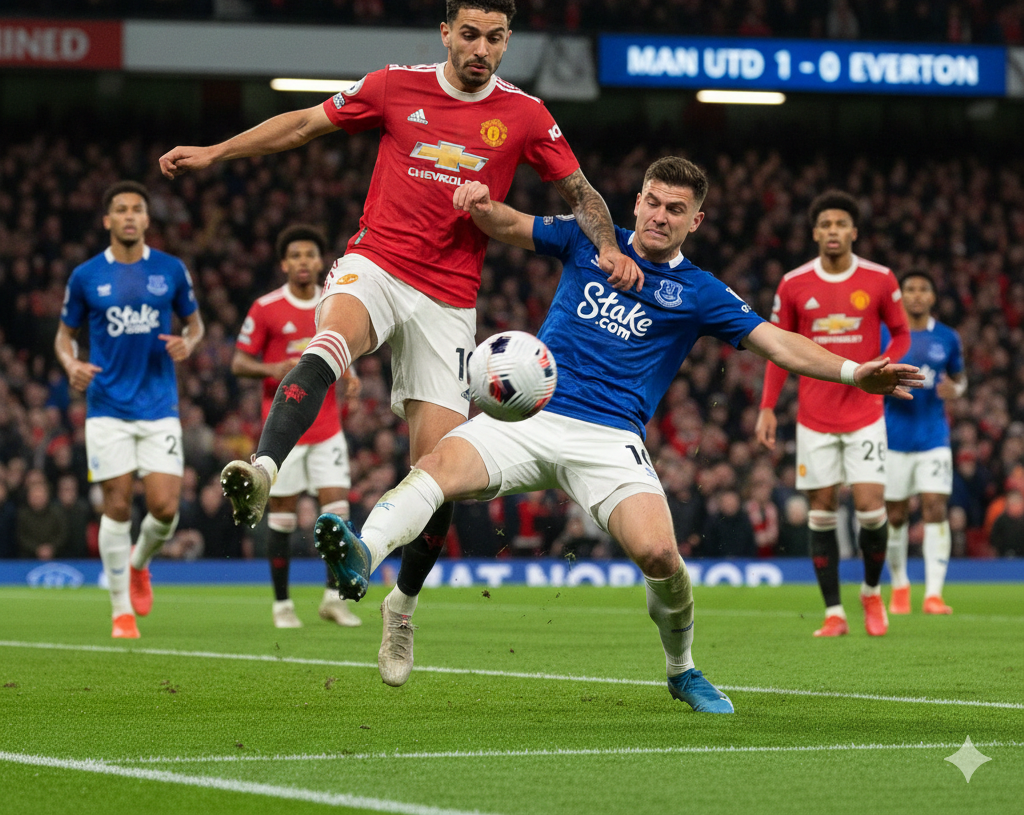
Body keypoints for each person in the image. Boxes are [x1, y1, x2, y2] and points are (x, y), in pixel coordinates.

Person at [159, 0, 640, 679]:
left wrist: (608, 246)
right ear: (445, 32)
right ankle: (264, 471)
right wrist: (216, 152)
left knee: (436, 471)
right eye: (469, 34)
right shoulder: (392, 86)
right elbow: (302, 125)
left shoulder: (526, 115)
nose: (481, 49)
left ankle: (401, 610)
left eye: (495, 37)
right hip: (377, 262)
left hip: (448, 300)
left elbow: (582, 192)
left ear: (508, 42)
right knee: (329, 338)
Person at [313, 158, 920, 707]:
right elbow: (510, 223)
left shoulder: (700, 292)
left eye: (675, 209)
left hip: (610, 440)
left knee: (661, 554)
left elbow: (775, 342)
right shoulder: (585, 239)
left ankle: (681, 670)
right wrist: (475, 200)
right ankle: (368, 558)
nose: (660, 215)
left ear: (695, 221)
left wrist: (850, 371)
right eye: (653, 202)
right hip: (528, 416)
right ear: (635, 203)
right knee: (436, 471)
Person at [755, 190, 911, 638]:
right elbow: (777, 348)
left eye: (841, 224)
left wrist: (885, 365)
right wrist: (767, 406)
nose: (833, 231)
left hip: (865, 412)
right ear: (814, 233)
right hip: (814, 417)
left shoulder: (880, 279)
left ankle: (870, 592)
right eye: (825, 225)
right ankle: (833, 613)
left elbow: (900, 333)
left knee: (870, 508)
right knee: (821, 510)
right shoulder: (794, 283)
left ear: (854, 231)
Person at [55, 180, 204, 638]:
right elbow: (64, 336)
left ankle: (140, 563)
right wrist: (70, 362)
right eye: (120, 209)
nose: (129, 216)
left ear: (146, 219)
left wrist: (188, 343)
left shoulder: (170, 270)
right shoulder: (85, 277)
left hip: (159, 405)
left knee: (164, 508)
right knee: (117, 506)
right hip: (107, 408)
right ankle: (121, 611)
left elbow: (195, 325)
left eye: (136, 209)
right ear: (107, 220)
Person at [232, 224, 362, 629]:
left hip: (327, 428)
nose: (304, 261)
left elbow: (344, 345)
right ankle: (282, 605)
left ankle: (332, 600)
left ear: (321, 261)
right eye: (296, 255)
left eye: (310, 254)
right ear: (284, 263)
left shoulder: (335, 302)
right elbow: (238, 363)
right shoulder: (266, 307)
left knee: (337, 510)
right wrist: (272, 368)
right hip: (285, 432)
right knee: (282, 518)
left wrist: (352, 375)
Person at [883, 271, 966, 615]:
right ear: (901, 296)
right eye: (910, 290)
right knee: (896, 515)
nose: (916, 295)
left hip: (934, 437)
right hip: (892, 439)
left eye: (923, 290)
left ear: (932, 297)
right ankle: (900, 586)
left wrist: (956, 390)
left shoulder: (947, 338)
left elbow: (960, 379)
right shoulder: (886, 334)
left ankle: (933, 594)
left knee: (935, 507)